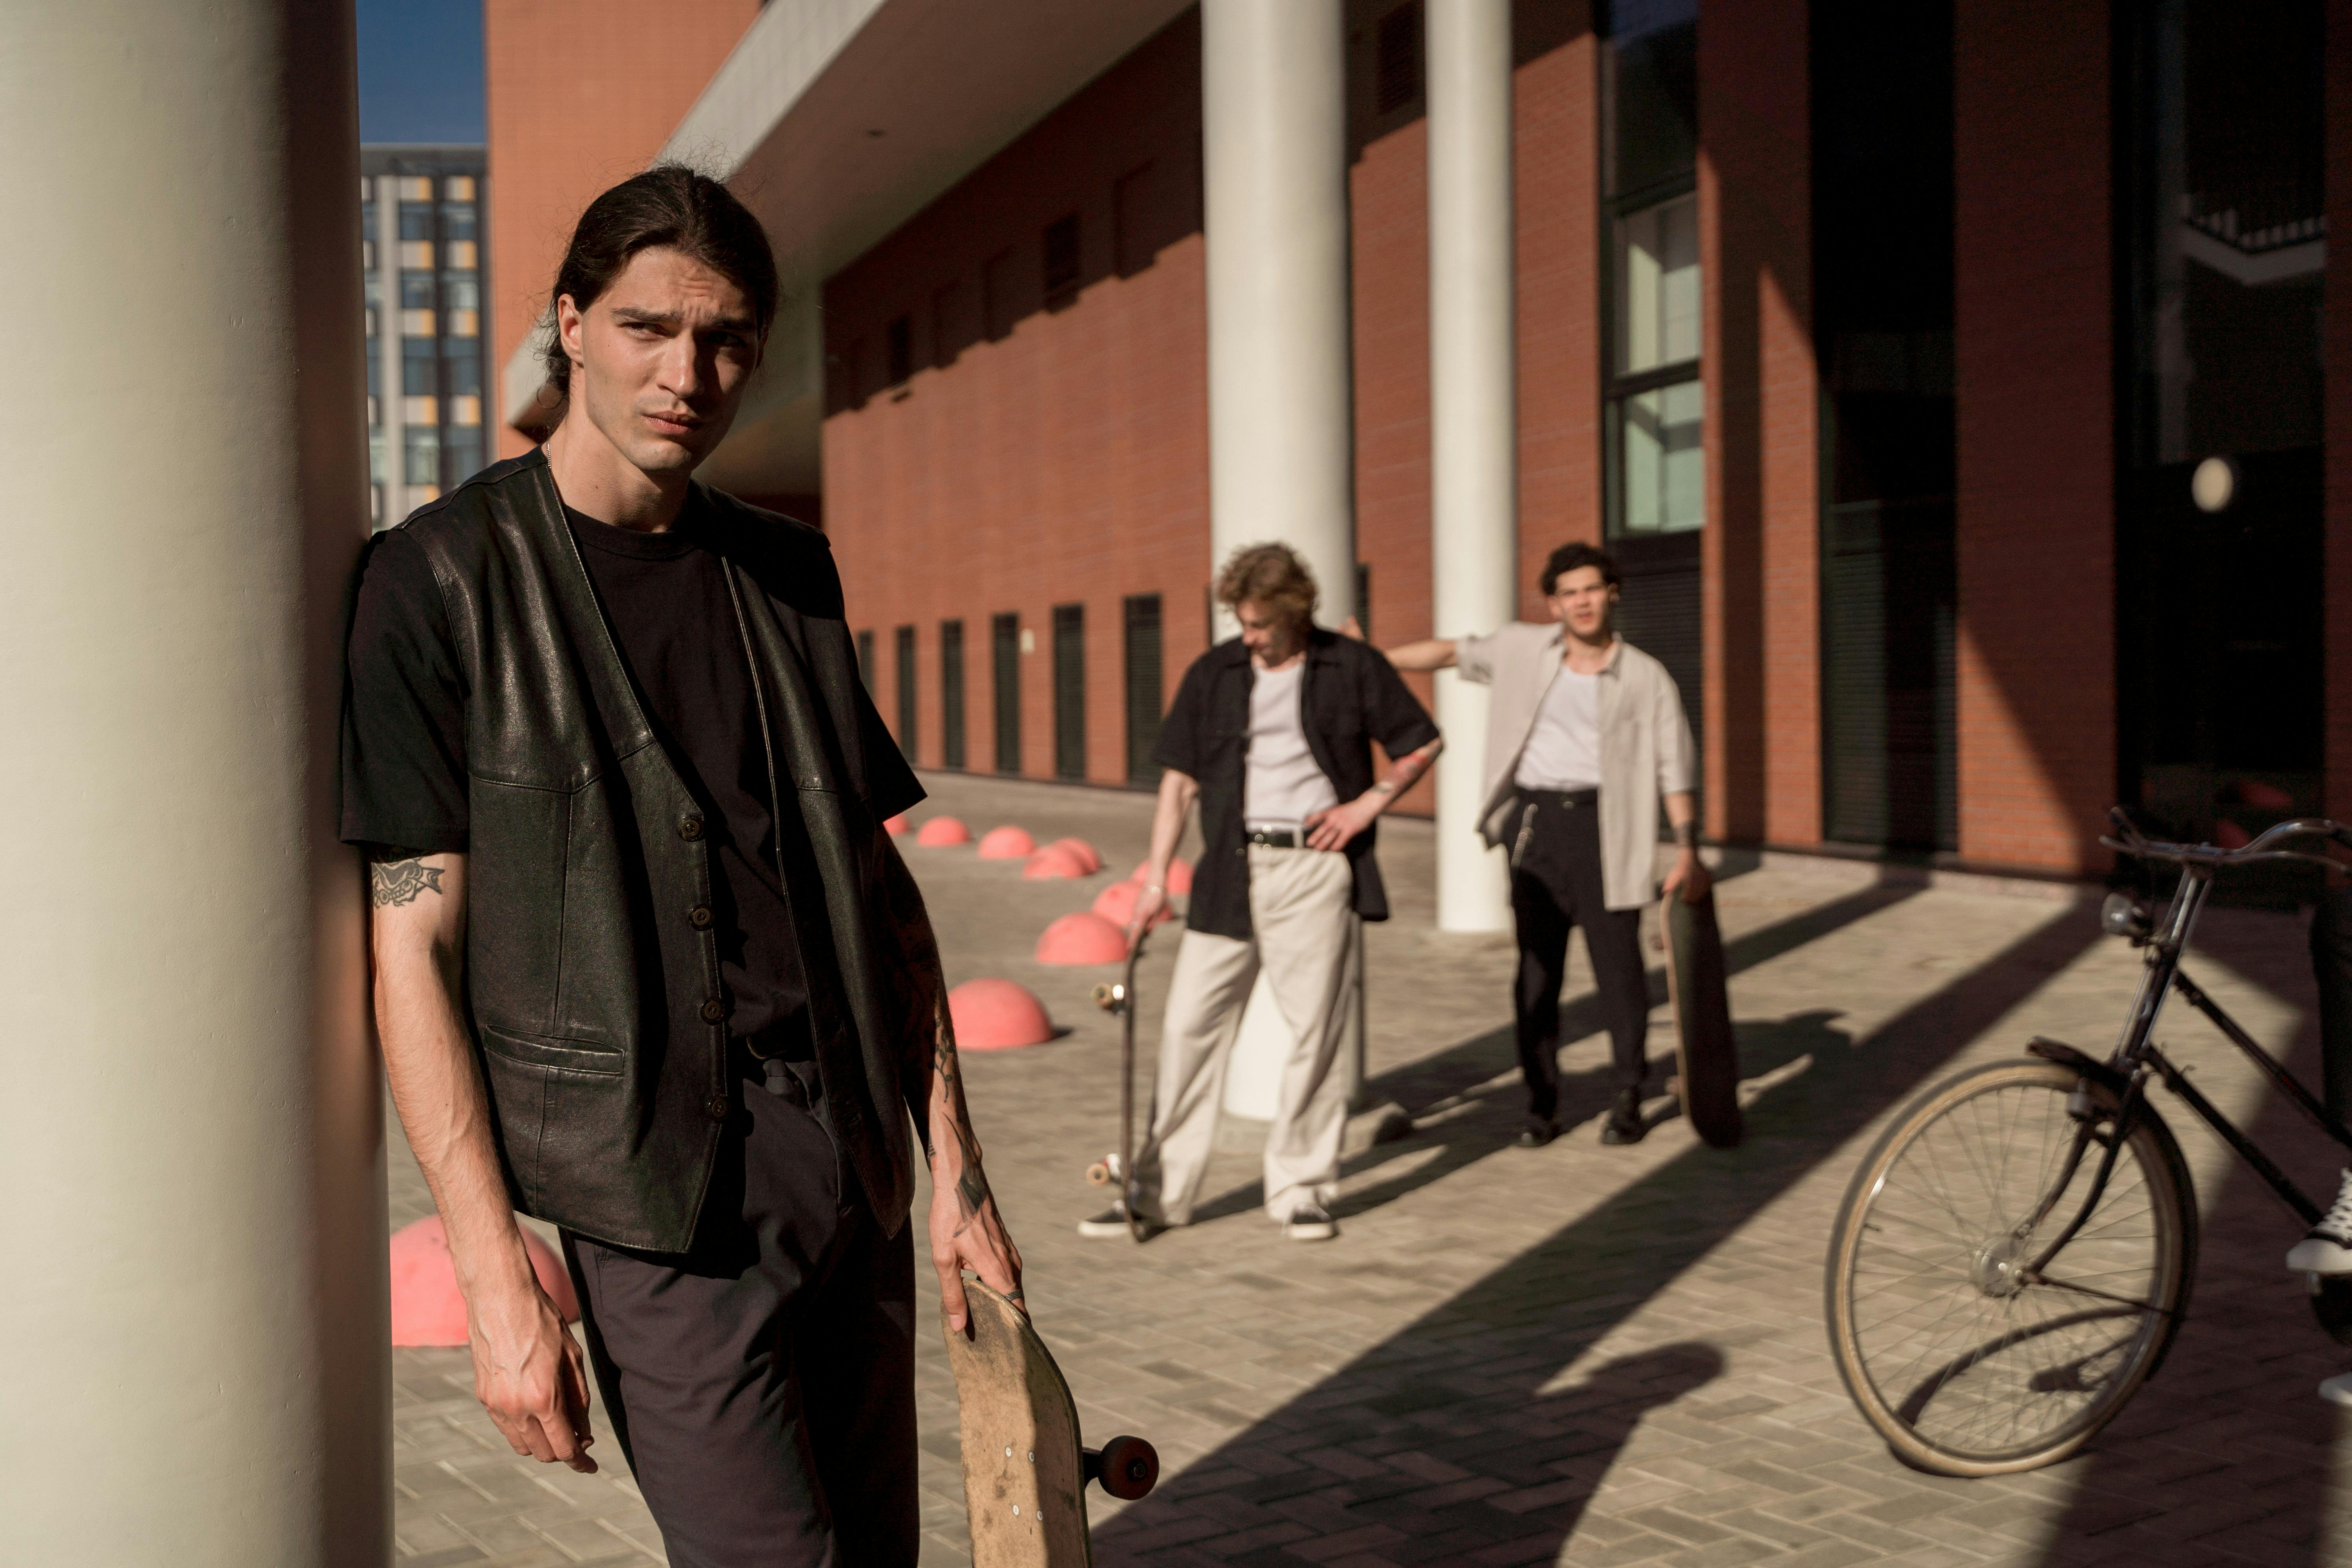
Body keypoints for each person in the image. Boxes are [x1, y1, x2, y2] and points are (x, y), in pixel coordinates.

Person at [342, 166, 1020, 1566]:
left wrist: (956, 1174)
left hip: (849, 1160)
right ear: (571, 324)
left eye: (725, 342)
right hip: (653, 1195)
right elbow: (412, 943)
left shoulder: (789, 574)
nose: (688, 373)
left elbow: (878, 893)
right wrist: (496, 1281)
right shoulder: (441, 581)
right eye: (651, 329)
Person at [1080, 543, 1441, 1242]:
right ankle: (1153, 1197)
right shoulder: (1215, 673)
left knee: (1316, 1032)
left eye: (1260, 627)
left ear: (1296, 612)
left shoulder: (1351, 665)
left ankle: (1301, 1188)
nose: (1248, 639)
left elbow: (1422, 743)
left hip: (1313, 870)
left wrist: (1367, 807)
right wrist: (1155, 881)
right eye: (1241, 624)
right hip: (1226, 875)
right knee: (1188, 1030)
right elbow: (1179, 784)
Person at [1384, 541, 1704, 1149]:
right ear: (1553, 603)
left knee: (1621, 972)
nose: (1581, 602)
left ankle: (1629, 1094)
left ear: (1612, 594)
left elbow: (1674, 768)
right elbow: (1450, 652)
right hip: (1535, 825)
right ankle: (1540, 1103)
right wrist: (1371, 659)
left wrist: (1688, 849)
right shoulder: (1522, 649)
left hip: (1607, 827)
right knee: (1536, 973)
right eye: (1568, 592)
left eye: (1591, 589)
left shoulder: (1645, 676)